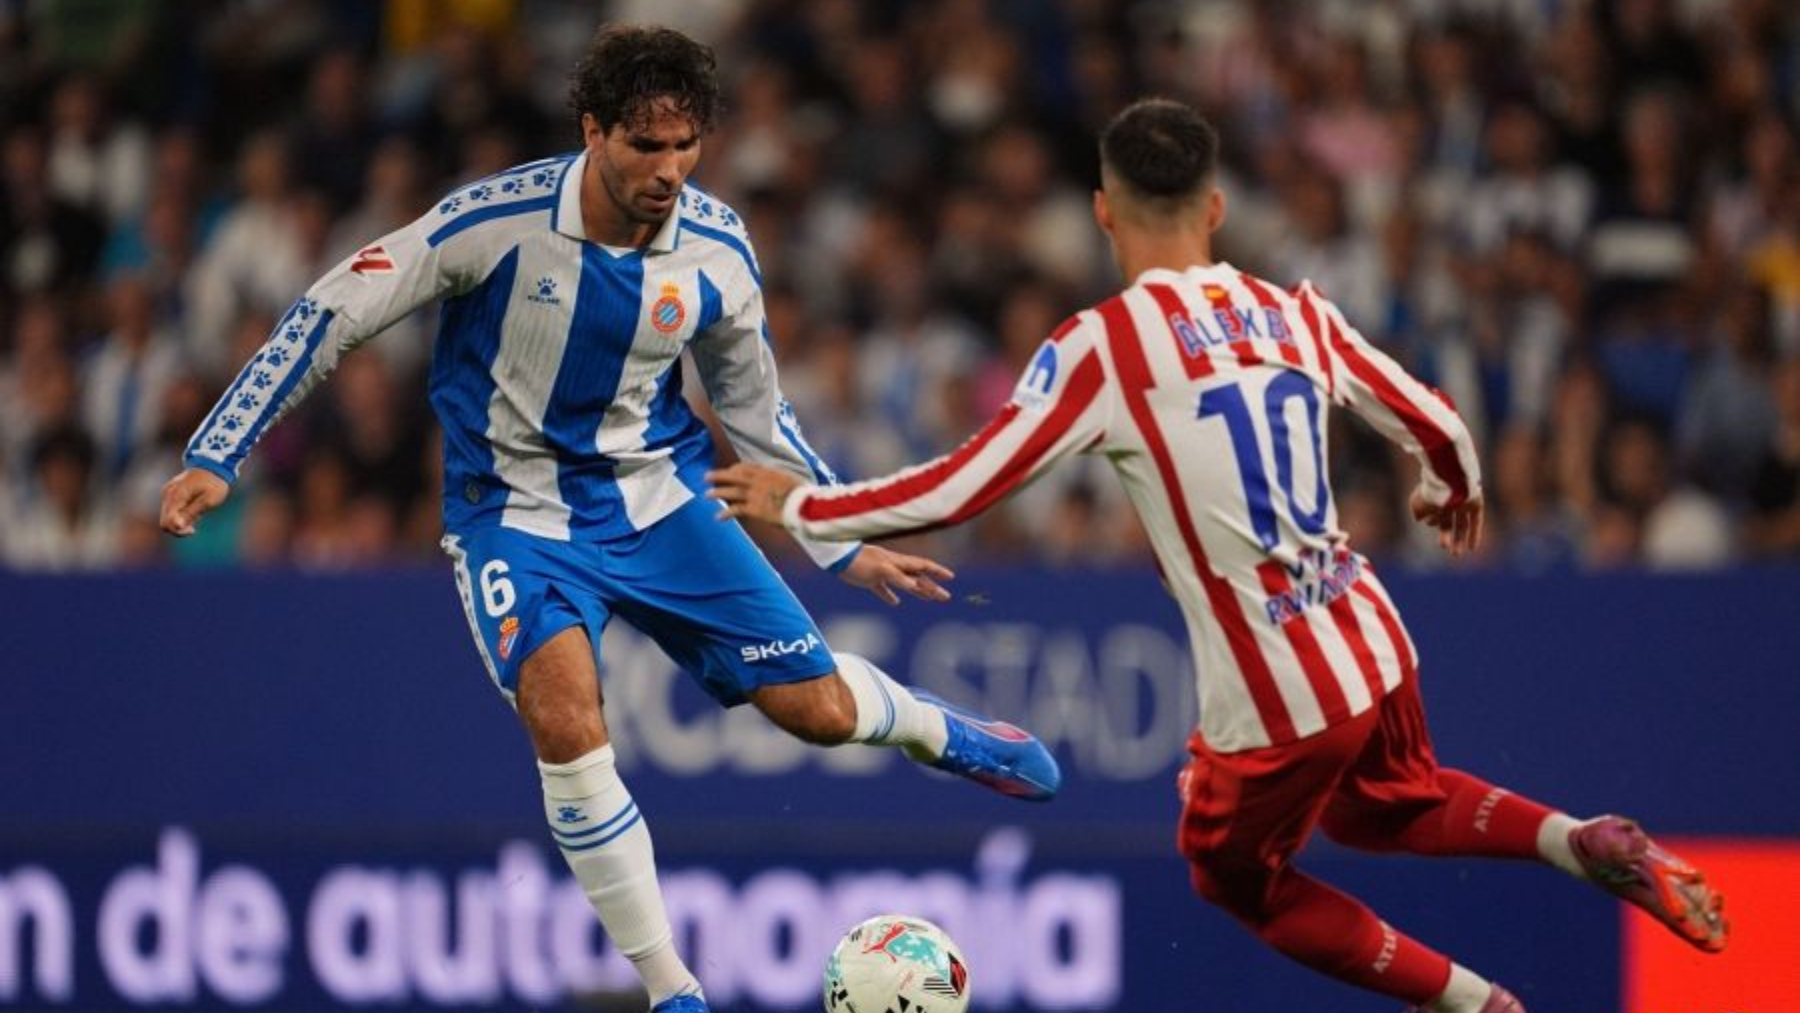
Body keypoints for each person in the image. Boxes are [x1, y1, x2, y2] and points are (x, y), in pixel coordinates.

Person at [709, 98, 1727, 1013]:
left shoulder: (1104, 344)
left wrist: (804, 501)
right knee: (1388, 807)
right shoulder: (1296, 310)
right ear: (1218, 206)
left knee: (1235, 878)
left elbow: (963, 485)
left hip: (1273, 691)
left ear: (1104, 213)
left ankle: (1474, 1005)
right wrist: (1446, 490)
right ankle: (1580, 836)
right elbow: (1441, 425)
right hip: (1370, 636)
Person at [158, 24, 1060, 1013]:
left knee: (816, 713)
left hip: (662, 495)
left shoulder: (716, 252)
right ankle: (672, 988)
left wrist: (841, 543)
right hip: (513, 515)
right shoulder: (491, 224)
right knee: (564, 709)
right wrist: (218, 447)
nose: (670, 169)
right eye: (646, 145)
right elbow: (334, 308)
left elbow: (758, 412)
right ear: (593, 130)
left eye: (687, 146)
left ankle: (944, 731)